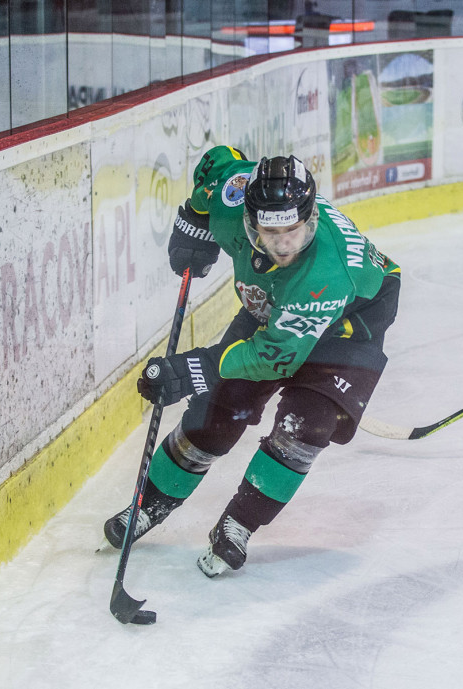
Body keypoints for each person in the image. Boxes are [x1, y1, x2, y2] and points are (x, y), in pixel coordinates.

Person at [103, 146, 401, 577]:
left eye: (294, 232)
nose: (283, 245)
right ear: (247, 219)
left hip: (352, 319)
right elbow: (218, 162)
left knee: (308, 424)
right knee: (219, 407)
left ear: (311, 219)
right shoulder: (232, 195)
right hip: (278, 304)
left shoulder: (326, 270)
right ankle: (148, 504)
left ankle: (239, 523)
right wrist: (194, 220)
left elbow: (273, 357)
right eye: (270, 232)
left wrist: (194, 369)